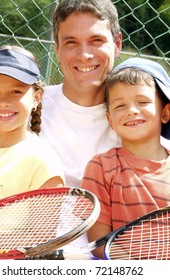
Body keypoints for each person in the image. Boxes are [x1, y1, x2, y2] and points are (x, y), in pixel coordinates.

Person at [0, 0, 122, 187]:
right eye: (71, 42)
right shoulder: (22, 105)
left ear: (117, 44)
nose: (84, 55)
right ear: (58, 49)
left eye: (96, 41)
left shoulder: (134, 116)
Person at [81, 57, 170, 259]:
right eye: (120, 106)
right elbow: (99, 242)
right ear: (110, 120)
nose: (131, 111)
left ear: (165, 113)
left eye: (143, 102)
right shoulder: (102, 167)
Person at [0, 45, 64, 209]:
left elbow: (43, 233)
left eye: (15, 92)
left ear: (36, 98)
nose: (3, 101)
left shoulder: (43, 161)